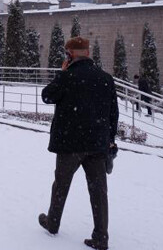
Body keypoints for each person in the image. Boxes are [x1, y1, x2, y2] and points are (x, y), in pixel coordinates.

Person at [38, 37, 118, 250]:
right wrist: (110, 141)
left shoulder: (67, 77)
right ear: (88, 53)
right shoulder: (105, 79)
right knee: (99, 191)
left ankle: (53, 223)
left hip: (70, 144)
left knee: (61, 185)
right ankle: (101, 237)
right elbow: (113, 114)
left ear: (69, 54)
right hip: (97, 145)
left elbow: (47, 96)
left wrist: (62, 74)